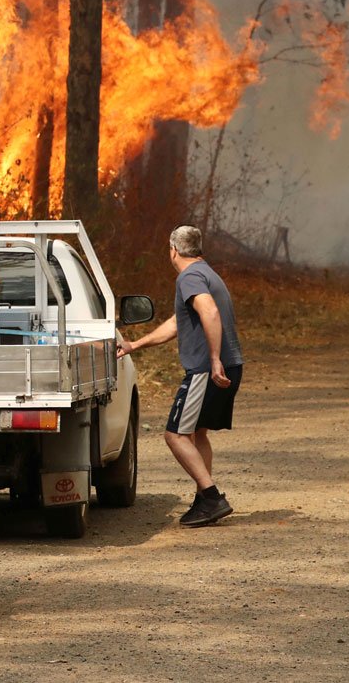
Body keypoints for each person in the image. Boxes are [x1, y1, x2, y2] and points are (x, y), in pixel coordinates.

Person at [117, 225, 244, 527]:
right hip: (230, 365)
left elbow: (210, 313)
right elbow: (178, 323)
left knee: (174, 434)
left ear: (173, 249)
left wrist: (213, 360)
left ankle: (212, 497)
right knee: (197, 431)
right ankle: (204, 499)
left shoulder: (189, 277)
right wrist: (135, 344)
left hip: (207, 369)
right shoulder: (206, 273)